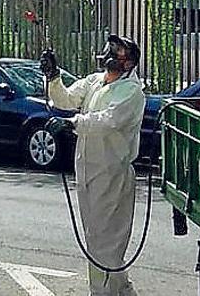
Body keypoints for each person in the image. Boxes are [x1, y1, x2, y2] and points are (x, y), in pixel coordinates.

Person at [40, 35, 145, 296]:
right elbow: (64, 99)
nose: (110, 53)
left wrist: (73, 123)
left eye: (118, 50)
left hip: (111, 173)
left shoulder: (131, 92)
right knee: (98, 238)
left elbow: (107, 120)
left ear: (129, 62)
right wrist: (53, 77)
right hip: (87, 170)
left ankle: (101, 292)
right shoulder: (95, 81)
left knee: (104, 242)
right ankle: (122, 290)